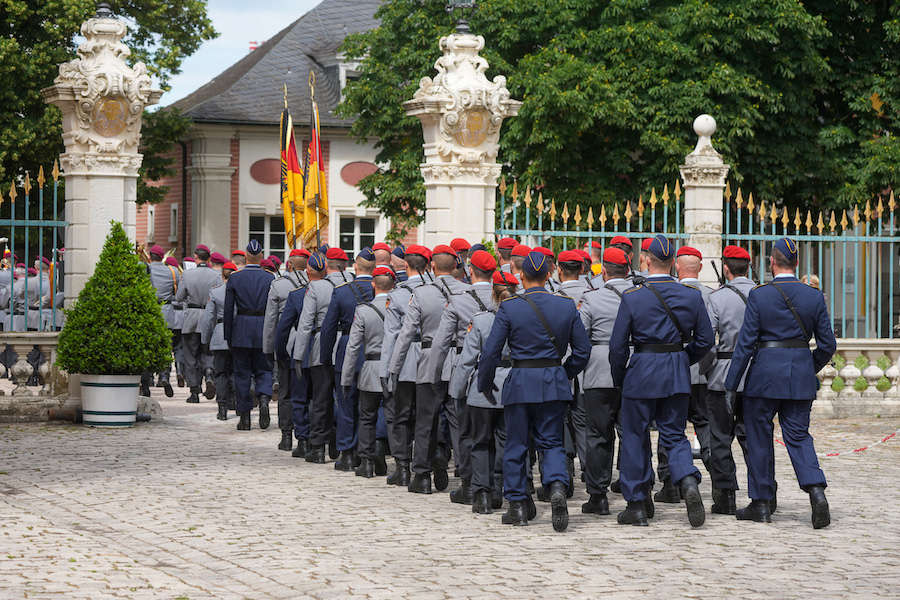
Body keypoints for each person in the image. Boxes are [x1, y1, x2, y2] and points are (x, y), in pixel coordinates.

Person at [725, 237, 836, 528]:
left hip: (764, 377)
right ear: (796, 263)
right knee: (798, 436)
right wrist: (807, 367)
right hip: (799, 375)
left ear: (772, 262)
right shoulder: (814, 296)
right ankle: (816, 491)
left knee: (759, 437)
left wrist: (730, 384)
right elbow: (827, 345)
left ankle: (761, 503)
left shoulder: (761, 295)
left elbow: (745, 345)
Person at [478, 250, 590, 532]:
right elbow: (583, 350)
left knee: (517, 444)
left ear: (522, 277)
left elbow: (491, 351)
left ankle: (517, 505)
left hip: (521, 380)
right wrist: (565, 372)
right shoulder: (565, 306)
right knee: (551, 442)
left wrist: (485, 381)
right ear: (549, 275)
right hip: (553, 379)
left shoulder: (510, 307)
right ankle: (554, 487)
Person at [609, 234, 714, 528]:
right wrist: (682, 358)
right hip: (675, 370)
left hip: (641, 369)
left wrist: (621, 378)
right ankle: (688, 483)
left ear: (645, 260)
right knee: (674, 435)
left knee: (634, 437)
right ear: (672, 264)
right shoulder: (691, 296)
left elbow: (617, 347)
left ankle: (638, 503)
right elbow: (705, 340)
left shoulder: (633, 297)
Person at [388, 245, 470, 495]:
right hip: (458, 360)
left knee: (426, 421)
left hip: (428, 360)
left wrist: (394, 367)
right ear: (455, 266)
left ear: (432, 267)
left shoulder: (422, 294)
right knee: (459, 423)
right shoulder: (467, 291)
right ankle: (466, 477)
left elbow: (406, 334)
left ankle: (422, 475)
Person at [428, 249, 496, 504]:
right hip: (500, 367)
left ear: (470, 270)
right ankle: (495, 484)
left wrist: (434, 374)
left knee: (466, 430)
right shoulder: (504, 295)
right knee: (498, 432)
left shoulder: (458, 300)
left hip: (463, 365)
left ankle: (470, 484)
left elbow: (441, 342)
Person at [450, 270, 519, 514]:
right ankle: (499, 489)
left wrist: (456, 391)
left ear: (493, 293)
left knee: (480, 442)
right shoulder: (521, 318)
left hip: (483, 388)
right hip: (512, 384)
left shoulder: (480, 320)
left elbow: (467, 360)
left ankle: (482, 494)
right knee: (505, 441)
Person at [652, 245, 713, 503]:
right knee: (705, 427)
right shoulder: (711, 295)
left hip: (671, 371)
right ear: (699, 267)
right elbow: (709, 337)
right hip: (702, 372)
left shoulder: (668, 292)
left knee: (669, 428)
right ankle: (719, 478)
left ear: (677, 266)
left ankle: (669, 482)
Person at [578, 247, 633, 516]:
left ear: (605, 271)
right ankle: (637, 491)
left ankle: (597, 495)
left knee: (598, 435)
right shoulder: (639, 295)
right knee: (632, 434)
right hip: (633, 368)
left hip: (599, 369)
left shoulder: (592, 299)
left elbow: (580, 336)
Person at [704, 245, 758, 515]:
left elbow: (706, 341)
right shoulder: (762, 294)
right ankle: (762, 493)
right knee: (754, 438)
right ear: (748, 267)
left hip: (723, 373)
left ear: (726, 268)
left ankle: (725, 496)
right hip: (755, 374)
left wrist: (706, 370)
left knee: (720, 438)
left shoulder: (717, 298)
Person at [320, 247, 375, 472]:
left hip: (346, 348)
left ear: (355, 267)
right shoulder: (381, 289)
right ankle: (370, 451)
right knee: (370, 405)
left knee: (346, 403)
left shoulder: (342, 292)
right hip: (374, 349)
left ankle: (348, 452)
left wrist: (325, 357)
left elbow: (328, 328)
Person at [379, 245, 430, 486]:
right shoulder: (434, 291)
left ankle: (402, 467)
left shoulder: (397, 294)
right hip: (430, 360)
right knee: (425, 416)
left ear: (406, 267)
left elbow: (391, 337)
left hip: (405, 359)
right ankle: (426, 465)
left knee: (400, 415)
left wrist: (386, 370)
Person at [293, 250, 348, 462]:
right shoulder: (349, 283)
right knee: (342, 398)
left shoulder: (315, 287)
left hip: (319, 346)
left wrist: (299, 355)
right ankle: (338, 443)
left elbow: (306, 324)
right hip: (344, 344)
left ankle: (317, 447)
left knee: (321, 399)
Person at [342, 265, 395, 477]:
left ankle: (366, 462)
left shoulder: (363, 311)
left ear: (373, 284)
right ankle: (394, 459)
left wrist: (346, 378)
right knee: (392, 416)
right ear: (393, 285)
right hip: (392, 368)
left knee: (366, 416)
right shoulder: (400, 309)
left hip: (370, 369)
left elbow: (353, 347)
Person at [223, 240, 275, 430]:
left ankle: (244, 416)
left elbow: (228, 311)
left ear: (246, 256)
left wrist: (228, 335)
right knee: (264, 370)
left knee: (242, 374)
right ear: (261, 256)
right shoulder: (270, 278)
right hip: (263, 328)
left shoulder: (236, 278)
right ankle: (263, 400)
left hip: (242, 329)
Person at [263, 248, 310, 451]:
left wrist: (268, 348)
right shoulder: (314, 284)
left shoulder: (279, 285)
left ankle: (287, 435)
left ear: (289, 264)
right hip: (309, 343)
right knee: (307, 392)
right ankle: (305, 437)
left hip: (287, 343)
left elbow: (271, 320)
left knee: (286, 391)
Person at [175, 244, 221, 404]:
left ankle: (194, 392)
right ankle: (209, 373)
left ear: (196, 257)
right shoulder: (216, 275)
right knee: (208, 352)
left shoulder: (187, 274)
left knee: (190, 355)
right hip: (209, 317)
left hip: (192, 318)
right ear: (208, 258)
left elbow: (179, 297)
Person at [202, 261, 237, 420]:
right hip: (237, 335)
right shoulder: (239, 291)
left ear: (223, 274)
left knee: (221, 373)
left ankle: (222, 408)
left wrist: (206, 338)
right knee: (236, 372)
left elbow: (209, 318)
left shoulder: (215, 292)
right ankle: (236, 403)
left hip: (219, 334)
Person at [145, 245, 179, 398]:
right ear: (162, 257)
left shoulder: (145, 269)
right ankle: (164, 376)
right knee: (166, 347)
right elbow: (177, 293)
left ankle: (146, 382)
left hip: (150, 311)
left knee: (147, 348)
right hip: (167, 312)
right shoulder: (173, 271)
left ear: (151, 256)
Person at [165, 256, 187, 388]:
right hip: (180, 317)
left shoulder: (165, 276)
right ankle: (179, 371)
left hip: (168, 314)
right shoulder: (180, 277)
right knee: (179, 347)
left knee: (167, 347)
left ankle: (165, 376)